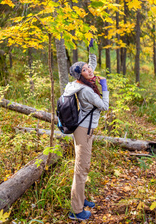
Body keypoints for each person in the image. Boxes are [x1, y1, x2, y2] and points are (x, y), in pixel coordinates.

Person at [63, 51, 109, 221]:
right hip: (83, 130)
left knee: (84, 166)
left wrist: (92, 49)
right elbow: (104, 106)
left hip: (85, 129)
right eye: (84, 69)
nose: (89, 70)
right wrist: (104, 86)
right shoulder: (87, 91)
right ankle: (76, 210)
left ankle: (81, 198)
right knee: (81, 170)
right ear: (79, 76)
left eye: (88, 67)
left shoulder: (82, 81)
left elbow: (92, 65)